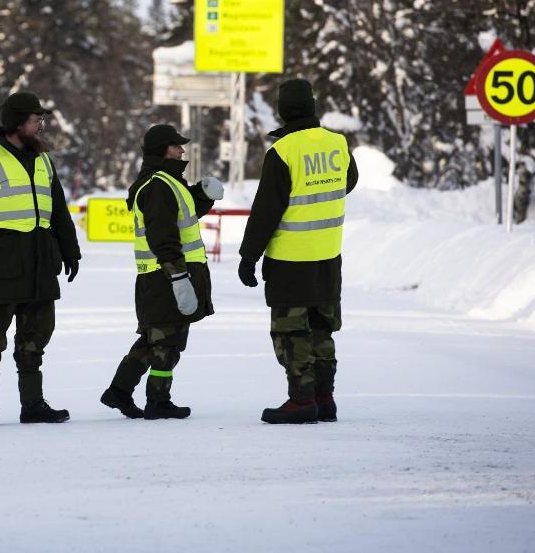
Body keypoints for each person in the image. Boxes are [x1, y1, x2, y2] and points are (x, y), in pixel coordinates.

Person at [0, 91, 82, 427]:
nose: (41, 125)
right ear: (17, 123)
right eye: (36, 119)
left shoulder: (44, 160)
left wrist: (70, 252)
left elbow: (59, 212)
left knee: (33, 344)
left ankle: (33, 405)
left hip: (40, 267)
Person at [237, 79, 359, 424]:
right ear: (313, 106)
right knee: (322, 329)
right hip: (328, 256)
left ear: (283, 110)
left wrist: (249, 256)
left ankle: (301, 400)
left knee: (291, 332)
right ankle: (324, 398)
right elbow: (349, 182)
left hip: (291, 259)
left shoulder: (284, 151)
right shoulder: (338, 143)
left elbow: (267, 210)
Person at [100, 124, 224, 420]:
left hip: (161, 276)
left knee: (153, 340)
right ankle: (158, 400)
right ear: (161, 151)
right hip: (165, 276)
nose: (182, 151)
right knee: (167, 342)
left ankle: (118, 391)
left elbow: (184, 214)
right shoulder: (158, 185)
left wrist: (203, 194)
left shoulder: (169, 182)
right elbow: (163, 237)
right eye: (176, 146)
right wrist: (179, 277)